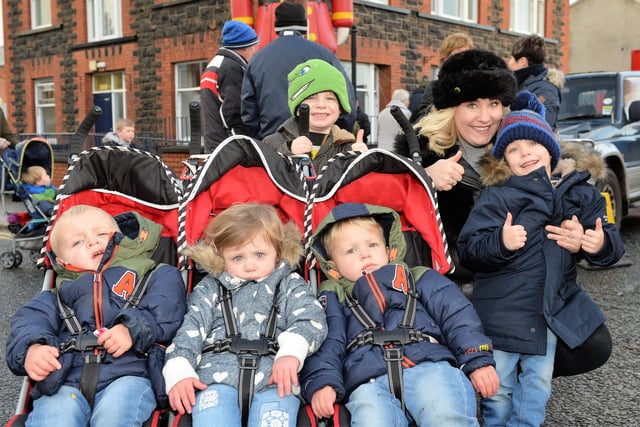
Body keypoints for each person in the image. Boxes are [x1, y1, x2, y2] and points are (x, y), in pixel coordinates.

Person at [457, 91, 625, 426]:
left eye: (532, 144)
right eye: (514, 149)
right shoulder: (499, 196)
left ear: (550, 148)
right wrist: (501, 242)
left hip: (546, 313)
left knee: (537, 386)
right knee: (499, 391)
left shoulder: (580, 192)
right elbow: (469, 249)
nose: (525, 153)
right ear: (505, 159)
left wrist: (595, 243)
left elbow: (613, 242)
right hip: (501, 314)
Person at [300, 202, 499, 426]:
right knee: (371, 419)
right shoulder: (334, 296)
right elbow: (326, 342)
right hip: (368, 382)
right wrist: (321, 382)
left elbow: (457, 316)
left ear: (389, 251)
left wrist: (476, 358)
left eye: (372, 245)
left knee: (446, 414)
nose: (365, 255)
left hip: (429, 366)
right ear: (333, 268)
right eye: (351, 250)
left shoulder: (419, 277)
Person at [5, 205, 187, 426]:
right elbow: (28, 322)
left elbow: (168, 306)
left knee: (116, 412)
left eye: (101, 233)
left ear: (119, 236)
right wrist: (32, 349)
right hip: (66, 381)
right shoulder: (57, 297)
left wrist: (132, 328)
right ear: (62, 262)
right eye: (77, 242)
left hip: (130, 373)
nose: (93, 241)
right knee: (55, 413)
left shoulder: (154, 274)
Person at [162, 203, 327, 426]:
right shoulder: (210, 288)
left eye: (259, 254)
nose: (250, 265)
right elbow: (190, 330)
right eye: (238, 258)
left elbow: (310, 318)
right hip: (215, 379)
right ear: (220, 257)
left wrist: (291, 353)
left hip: (275, 379)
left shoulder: (289, 283)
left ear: (277, 252)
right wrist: (179, 370)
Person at [395, 49, 517, 286]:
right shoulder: (418, 154)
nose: (485, 117)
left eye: (493, 104)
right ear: (450, 108)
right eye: (472, 105)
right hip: (447, 294)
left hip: (512, 291)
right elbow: (383, 212)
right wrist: (423, 179)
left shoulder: (520, 151)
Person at [241, 1, 356, 141]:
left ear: (276, 26)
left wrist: (260, 140)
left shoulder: (257, 59)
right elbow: (346, 100)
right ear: (304, 25)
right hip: (317, 141)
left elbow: (248, 111)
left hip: (272, 143)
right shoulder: (324, 54)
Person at [262, 59, 367, 173]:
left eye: (330, 98)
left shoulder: (347, 147)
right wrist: (288, 152)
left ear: (340, 108)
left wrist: (363, 162)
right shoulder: (272, 143)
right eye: (311, 98)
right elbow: (263, 180)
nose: (321, 105)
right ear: (298, 109)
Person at [201, 20, 259, 153]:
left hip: (215, 144)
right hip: (229, 150)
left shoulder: (216, 64)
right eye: (254, 46)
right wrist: (246, 148)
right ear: (245, 46)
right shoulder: (232, 68)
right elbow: (233, 114)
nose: (255, 51)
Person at [409, 32, 475, 123]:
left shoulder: (478, 85)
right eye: (456, 55)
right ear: (445, 59)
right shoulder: (435, 87)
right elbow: (422, 119)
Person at [506, 34, 561, 129]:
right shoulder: (523, 85)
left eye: (511, 58)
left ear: (522, 61)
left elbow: (542, 126)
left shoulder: (544, 90)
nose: (508, 62)